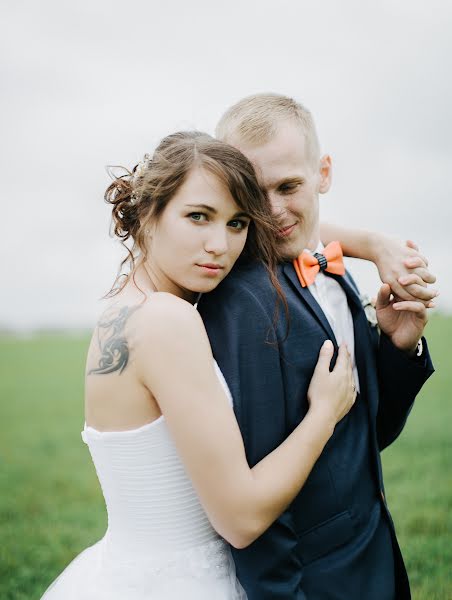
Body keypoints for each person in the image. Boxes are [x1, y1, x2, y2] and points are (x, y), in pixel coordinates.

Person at [41, 130, 433, 600]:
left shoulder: (131, 306)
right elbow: (242, 520)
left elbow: (291, 233)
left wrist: (371, 244)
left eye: (237, 223)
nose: (219, 246)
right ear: (149, 214)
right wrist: (323, 415)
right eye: (198, 217)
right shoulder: (169, 320)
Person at [198, 94, 436, 600]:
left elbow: (367, 437)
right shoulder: (242, 305)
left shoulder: (334, 268)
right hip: (317, 581)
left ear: (323, 173)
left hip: (371, 557)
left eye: (289, 186)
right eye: (254, 192)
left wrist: (398, 347)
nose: (274, 210)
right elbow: (256, 508)